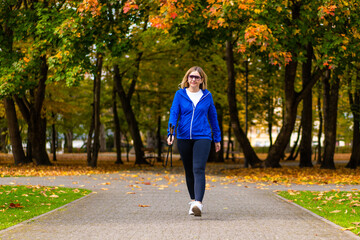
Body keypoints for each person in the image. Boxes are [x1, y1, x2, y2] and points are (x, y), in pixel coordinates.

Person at [167, 66, 221, 217]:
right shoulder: (180, 94)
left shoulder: (207, 96)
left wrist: (217, 138)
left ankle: (198, 203)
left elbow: (213, 118)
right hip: (184, 137)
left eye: (197, 77)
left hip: (203, 136)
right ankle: (193, 202)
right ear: (187, 78)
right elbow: (174, 113)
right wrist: (170, 133)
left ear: (202, 80)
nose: (193, 79)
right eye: (191, 76)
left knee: (198, 169)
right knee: (189, 170)